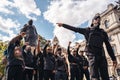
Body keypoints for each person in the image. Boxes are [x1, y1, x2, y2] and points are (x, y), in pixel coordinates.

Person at [56, 15, 117, 80]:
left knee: (105, 77)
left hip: (101, 56)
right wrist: (63, 25)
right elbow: (75, 29)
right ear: (93, 21)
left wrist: (113, 58)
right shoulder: (88, 30)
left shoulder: (103, 32)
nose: (98, 20)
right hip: (92, 56)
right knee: (94, 77)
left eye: (99, 19)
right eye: (96, 19)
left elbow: (108, 46)